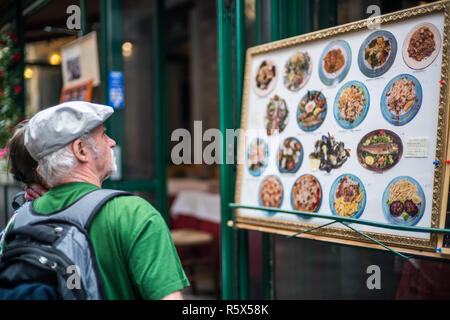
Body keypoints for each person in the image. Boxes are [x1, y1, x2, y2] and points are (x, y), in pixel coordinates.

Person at [3, 101, 189, 300]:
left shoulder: (20, 220)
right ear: (81, 149)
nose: (111, 142)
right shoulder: (134, 213)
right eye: (103, 135)